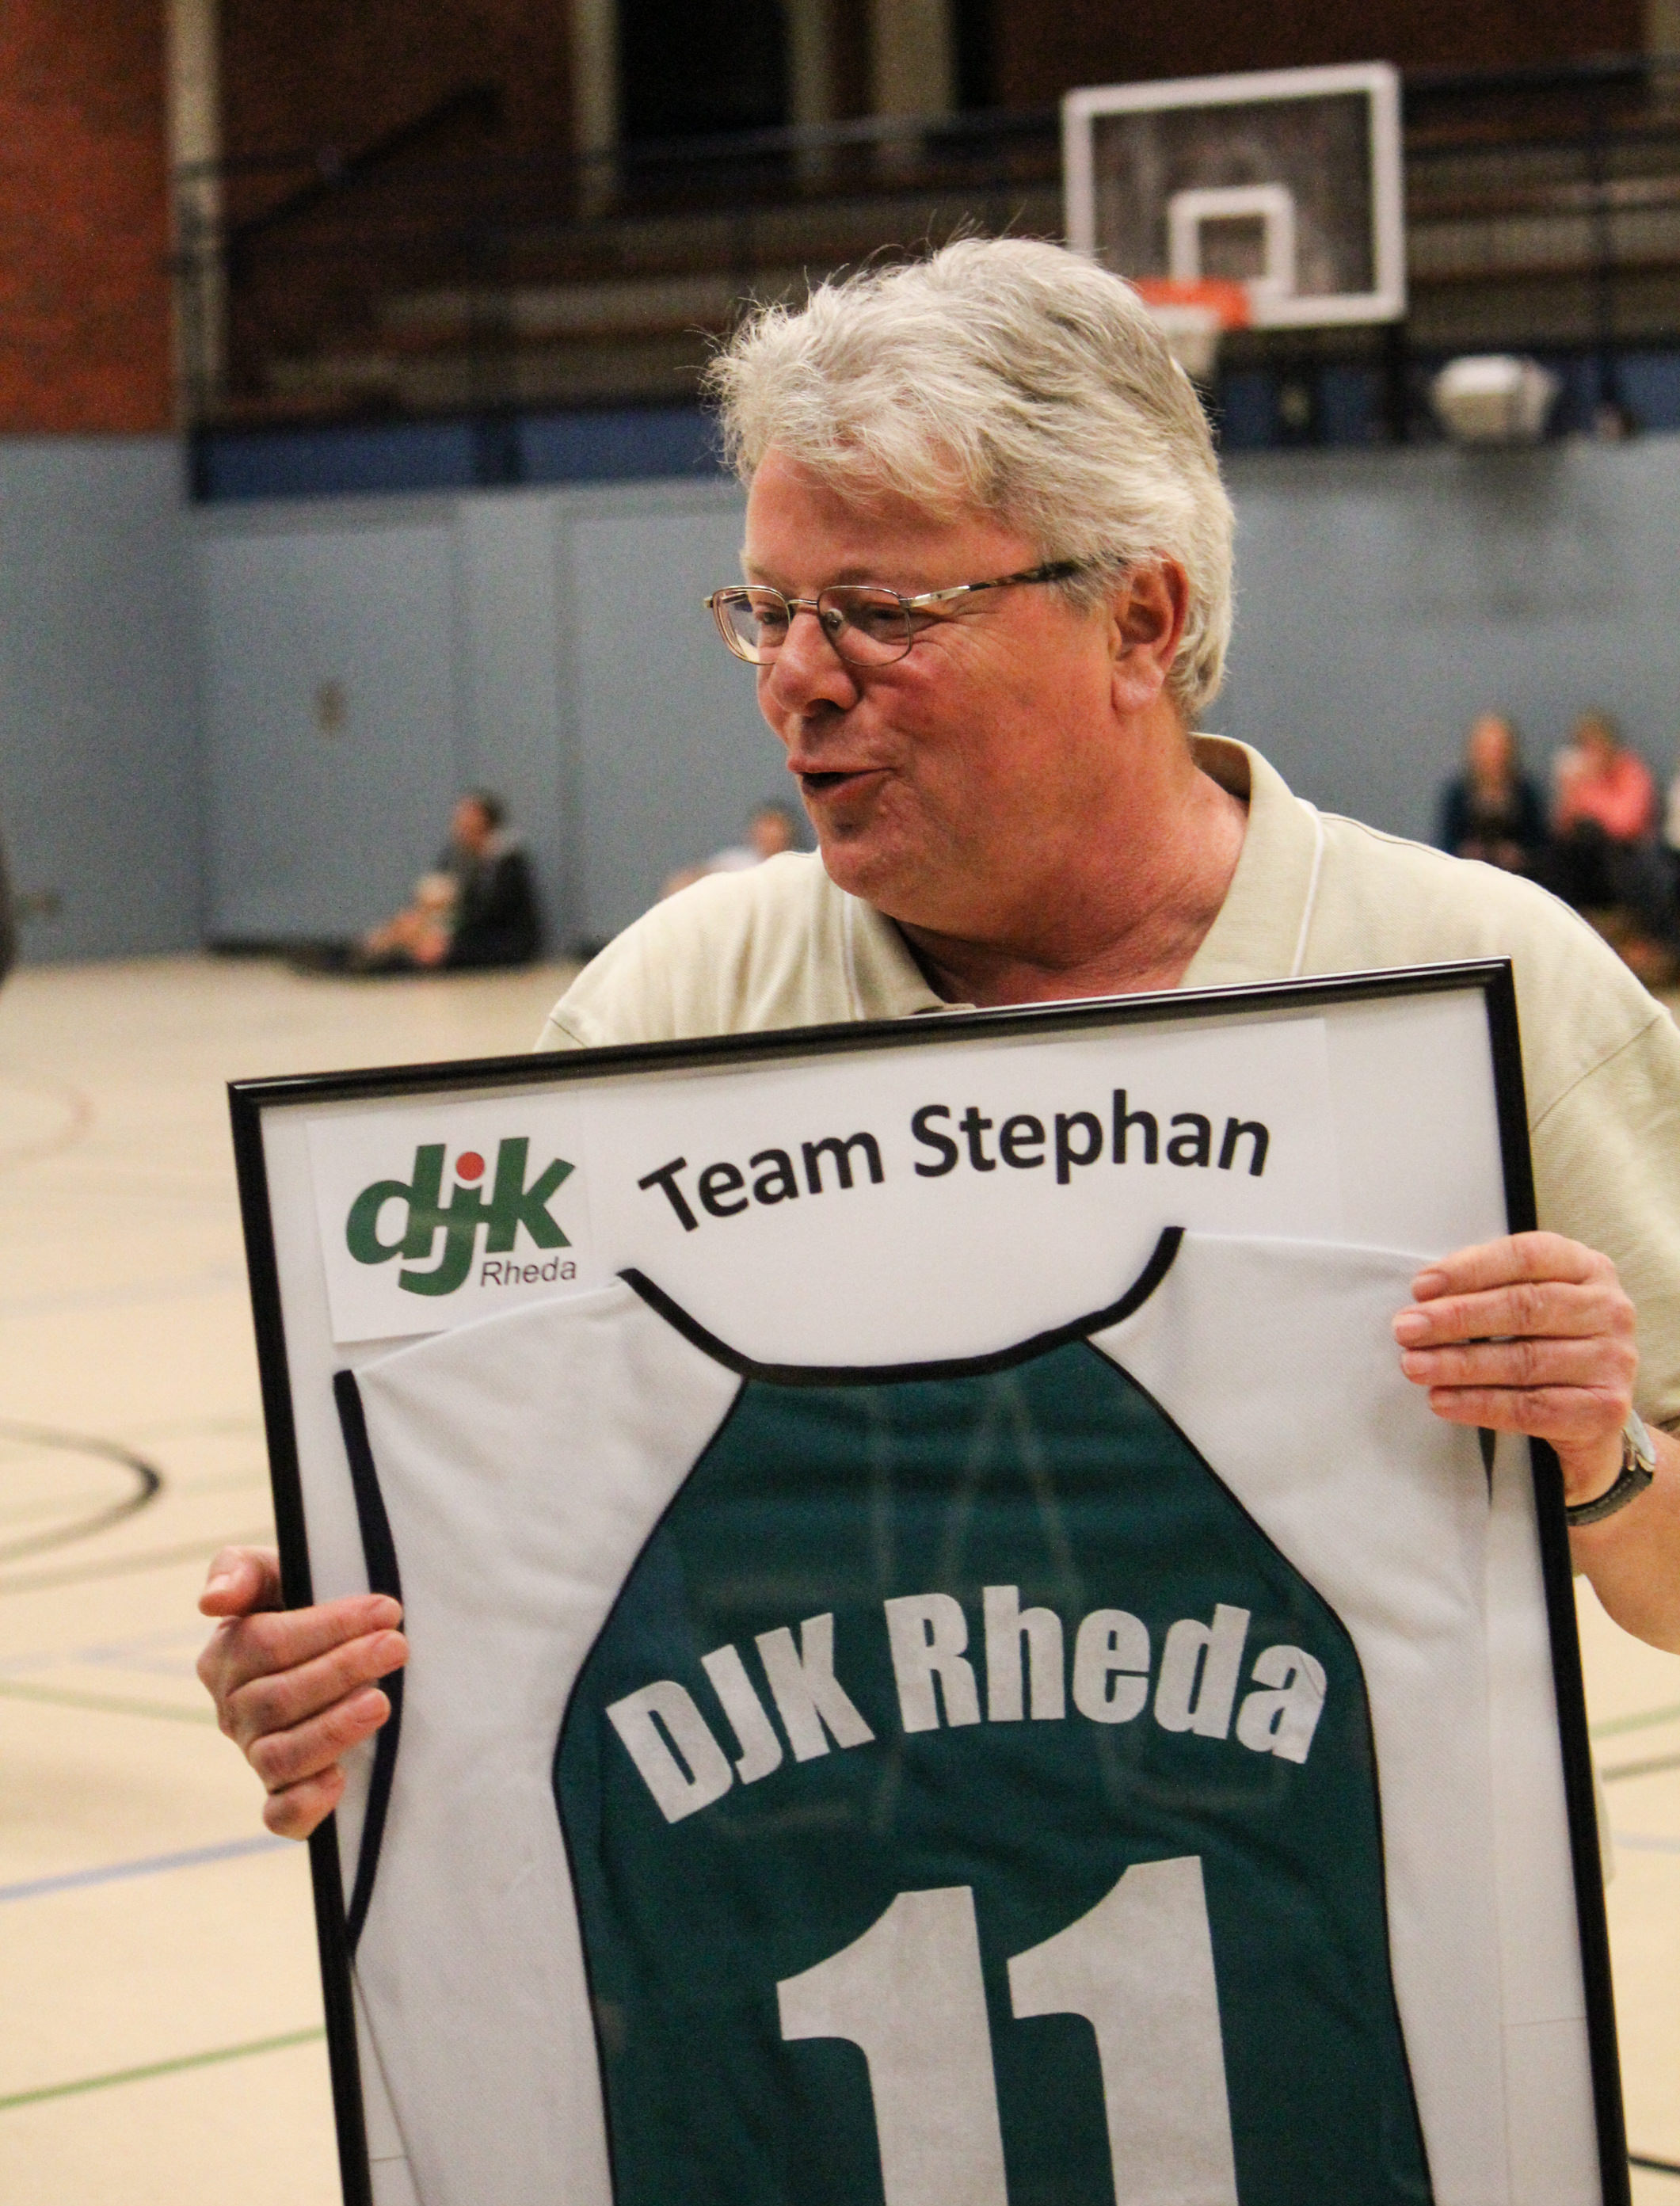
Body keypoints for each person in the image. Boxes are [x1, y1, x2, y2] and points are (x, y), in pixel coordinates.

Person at [200, 237, 1680, 1856]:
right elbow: (483, 1559)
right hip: (796, 1954)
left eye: (877, 613)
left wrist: (1599, 1459)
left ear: (1139, 619)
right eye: (769, 610)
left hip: (1318, 1964)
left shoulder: (1479, 979)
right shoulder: (670, 1008)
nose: (795, 681)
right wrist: (329, 1651)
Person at [1541, 710, 1675, 973]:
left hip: (1628, 858)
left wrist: (1589, 799)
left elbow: (1627, 824)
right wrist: (1572, 790)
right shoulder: (1575, 779)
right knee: (1561, 855)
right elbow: (1562, 828)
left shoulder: (1632, 770)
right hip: (1587, 864)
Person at [355, 791, 540, 970]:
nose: (460, 824)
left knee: (431, 951)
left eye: (468, 818)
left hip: (501, 940)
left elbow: (490, 913)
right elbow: (437, 891)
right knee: (403, 931)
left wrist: (445, 933)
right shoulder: (456, 857)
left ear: (485, 822)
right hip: (464, 930)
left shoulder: (507, 861)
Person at [1435, 711, 1547, 878]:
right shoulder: (1457, 794)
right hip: (1466, 878)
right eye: (1486, 749)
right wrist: (1465, 854)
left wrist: (1520, 855)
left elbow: (1540, 844)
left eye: (1499, 749)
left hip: (1518, 878)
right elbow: (1445, 844)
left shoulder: (1526, 794)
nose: (1493, 757)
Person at [659, 798, 802, 895]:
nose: (770, 833)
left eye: (776, 826)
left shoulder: (800, 864)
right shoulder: (735, 862)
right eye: (766, 825)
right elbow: (685, 881)